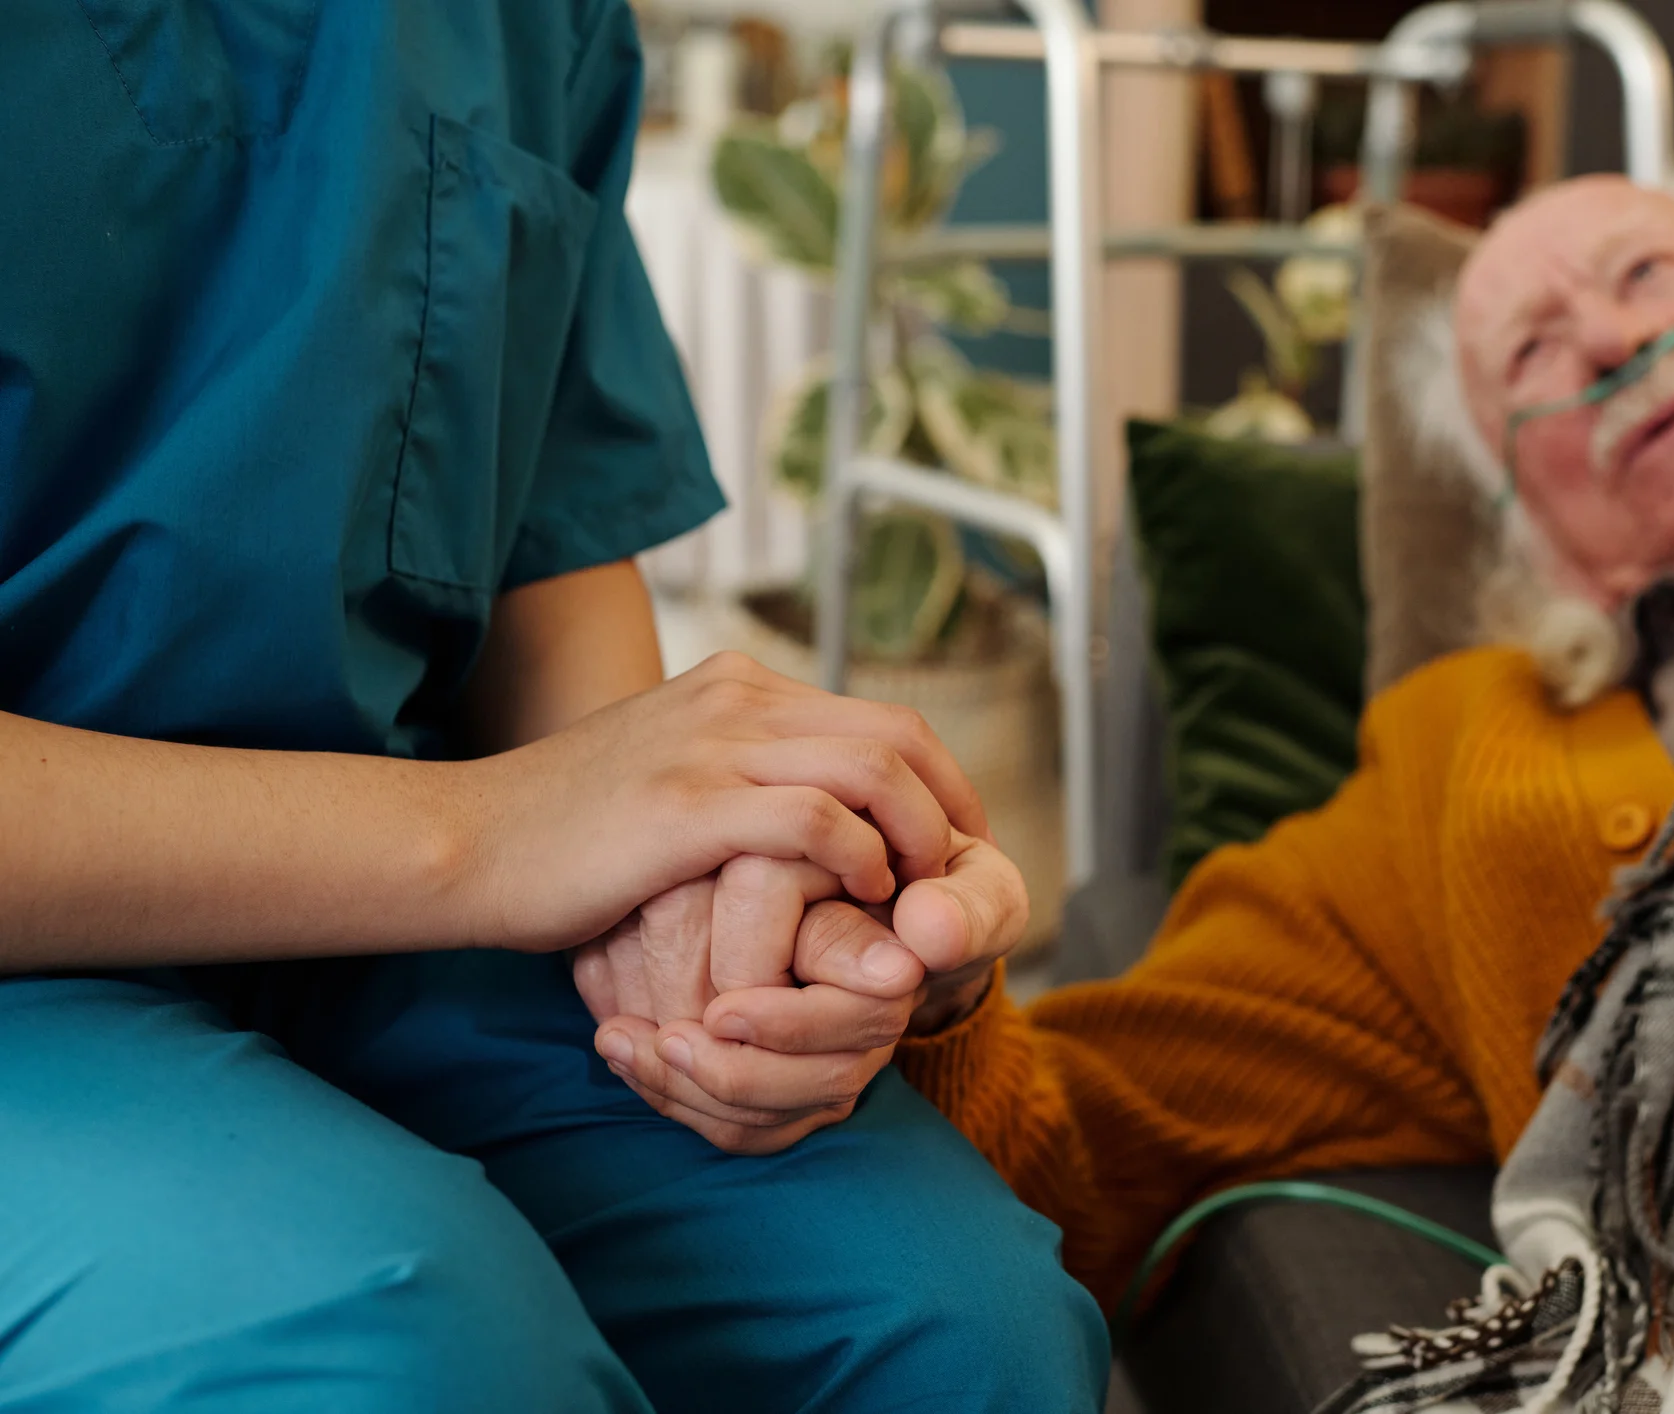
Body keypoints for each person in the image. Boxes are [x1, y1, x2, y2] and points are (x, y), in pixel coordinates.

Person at [683, 162, 1674, 1324]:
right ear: (1540, 525)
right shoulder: (1470, 772)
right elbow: (1086, 1140)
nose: (1612, 344)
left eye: (1648, 274)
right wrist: (925, 974)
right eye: (1536, 356)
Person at [0, 4, 1104, 1411]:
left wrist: (705, 926)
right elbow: (514, 823)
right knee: (415, 1355)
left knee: (960, 1325)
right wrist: (491, 831)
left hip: (396, 940)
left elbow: (545, 529)